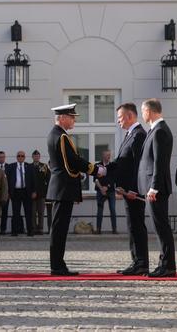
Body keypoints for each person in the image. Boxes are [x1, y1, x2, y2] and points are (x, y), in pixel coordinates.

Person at [47, 104, 104, 276]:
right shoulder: (61, 136)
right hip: (63, 187)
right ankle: (57, 266)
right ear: (62, 117)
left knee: (59, 228)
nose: (74, 120)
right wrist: (94, 169)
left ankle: (58, 264)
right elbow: (72, 160)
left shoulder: (56, 134)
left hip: (62, 187)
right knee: (59, 229)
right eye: (71, 117)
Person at [106, 102, 148, 276]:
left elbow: (140, 165)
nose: (118, 121)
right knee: (132, 226)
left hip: (133, 192)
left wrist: (134, 189)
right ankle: (137, 261)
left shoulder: (139, 135)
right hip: (126, 191)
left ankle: (141, 263)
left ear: (130, 116)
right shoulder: (130, 134)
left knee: (137, 226)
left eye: (120, 118)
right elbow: (121, 163)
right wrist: (101, 171)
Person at [138, 99, 176, 278]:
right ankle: (165, 264)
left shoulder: (160, 131)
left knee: (162, 227)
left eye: (143, 111)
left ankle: (167, 266)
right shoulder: (155, 130)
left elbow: (159, 163)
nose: (142, 115)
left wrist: (153, 188)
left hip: (157, 189)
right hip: (155, 188)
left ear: (150, 111)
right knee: (160, 227)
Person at [7, 151, 35, 236]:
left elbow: (33, 180)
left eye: (22, 156)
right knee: (15, 212)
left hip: (26, 192)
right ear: (16, 157)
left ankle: (30, 231)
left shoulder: (29, 166)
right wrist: (8, 192)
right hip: (15, 192)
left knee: (28, 212)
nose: (20, 157)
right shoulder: (11, 166)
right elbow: (7, 180)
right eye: (19, 156)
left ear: (24, 157)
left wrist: (34, 191)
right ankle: (14, 231)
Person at [94, 150, 117, 234]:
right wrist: (101, 188)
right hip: (100, 192)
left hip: (110, 191)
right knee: (99, 210)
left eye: (109, 155)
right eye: (107, 155)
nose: (109, 157)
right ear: (103, 156)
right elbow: (95, 179)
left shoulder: (112, 166)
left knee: (113, 210)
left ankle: (114, 229)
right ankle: (98, 229)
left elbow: (114, 179)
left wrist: (106, 187)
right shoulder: (97, 165)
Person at [31, 150, 50, 235]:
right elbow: (28, 181)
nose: (36, 157)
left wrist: (46, 191)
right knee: (33, 212)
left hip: (42, 193)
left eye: (37, 156)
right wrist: (31, 192)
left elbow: (48, 179)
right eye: (35, 156)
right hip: (32, 194)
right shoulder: (29, 166)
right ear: (32, 157)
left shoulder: (44, 166)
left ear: (39, 157)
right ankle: (34, 228)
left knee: (41, 212)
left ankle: (40, 229)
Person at [0, 151, 12, 235]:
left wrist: (9, 193)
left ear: (5, 157)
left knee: (4, 212)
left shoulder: (9, 167)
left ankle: (3, 229)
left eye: (2, 157)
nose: (1, 158)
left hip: (6, 194)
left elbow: (11, 181)